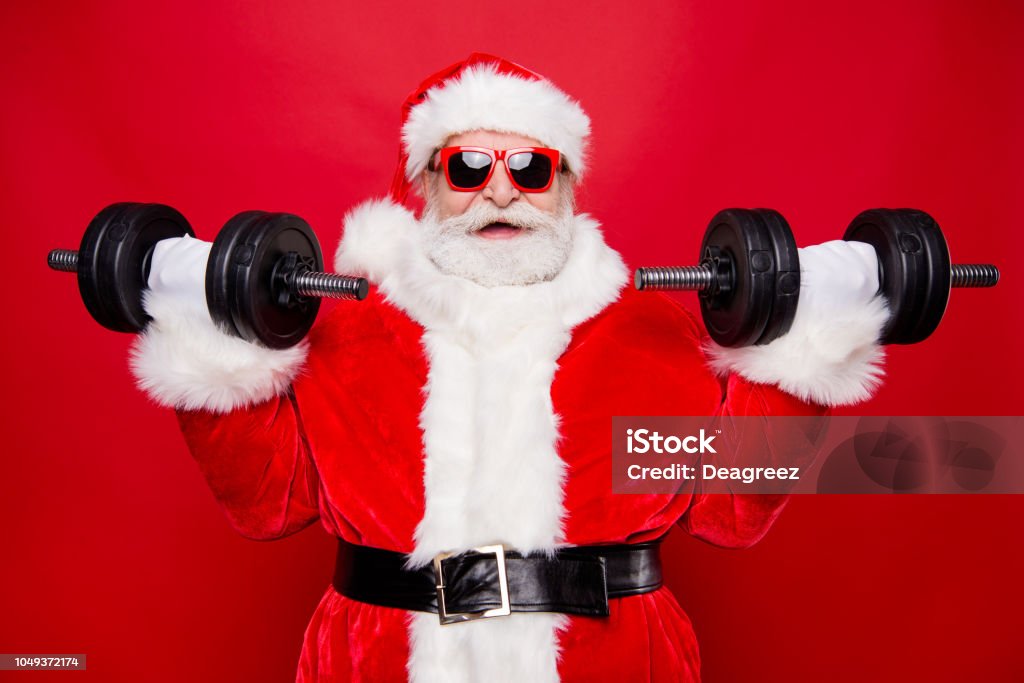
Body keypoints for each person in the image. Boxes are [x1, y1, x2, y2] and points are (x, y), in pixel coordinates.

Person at [129, 53, 889, 682]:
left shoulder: (640, 329)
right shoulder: (350, 333)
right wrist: (208, 321)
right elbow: (265, 505)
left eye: (530, 166)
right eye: (466, 166)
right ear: (422, 185)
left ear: (564, 187)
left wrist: (804, 336)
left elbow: (729, 507)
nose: (500, 190)